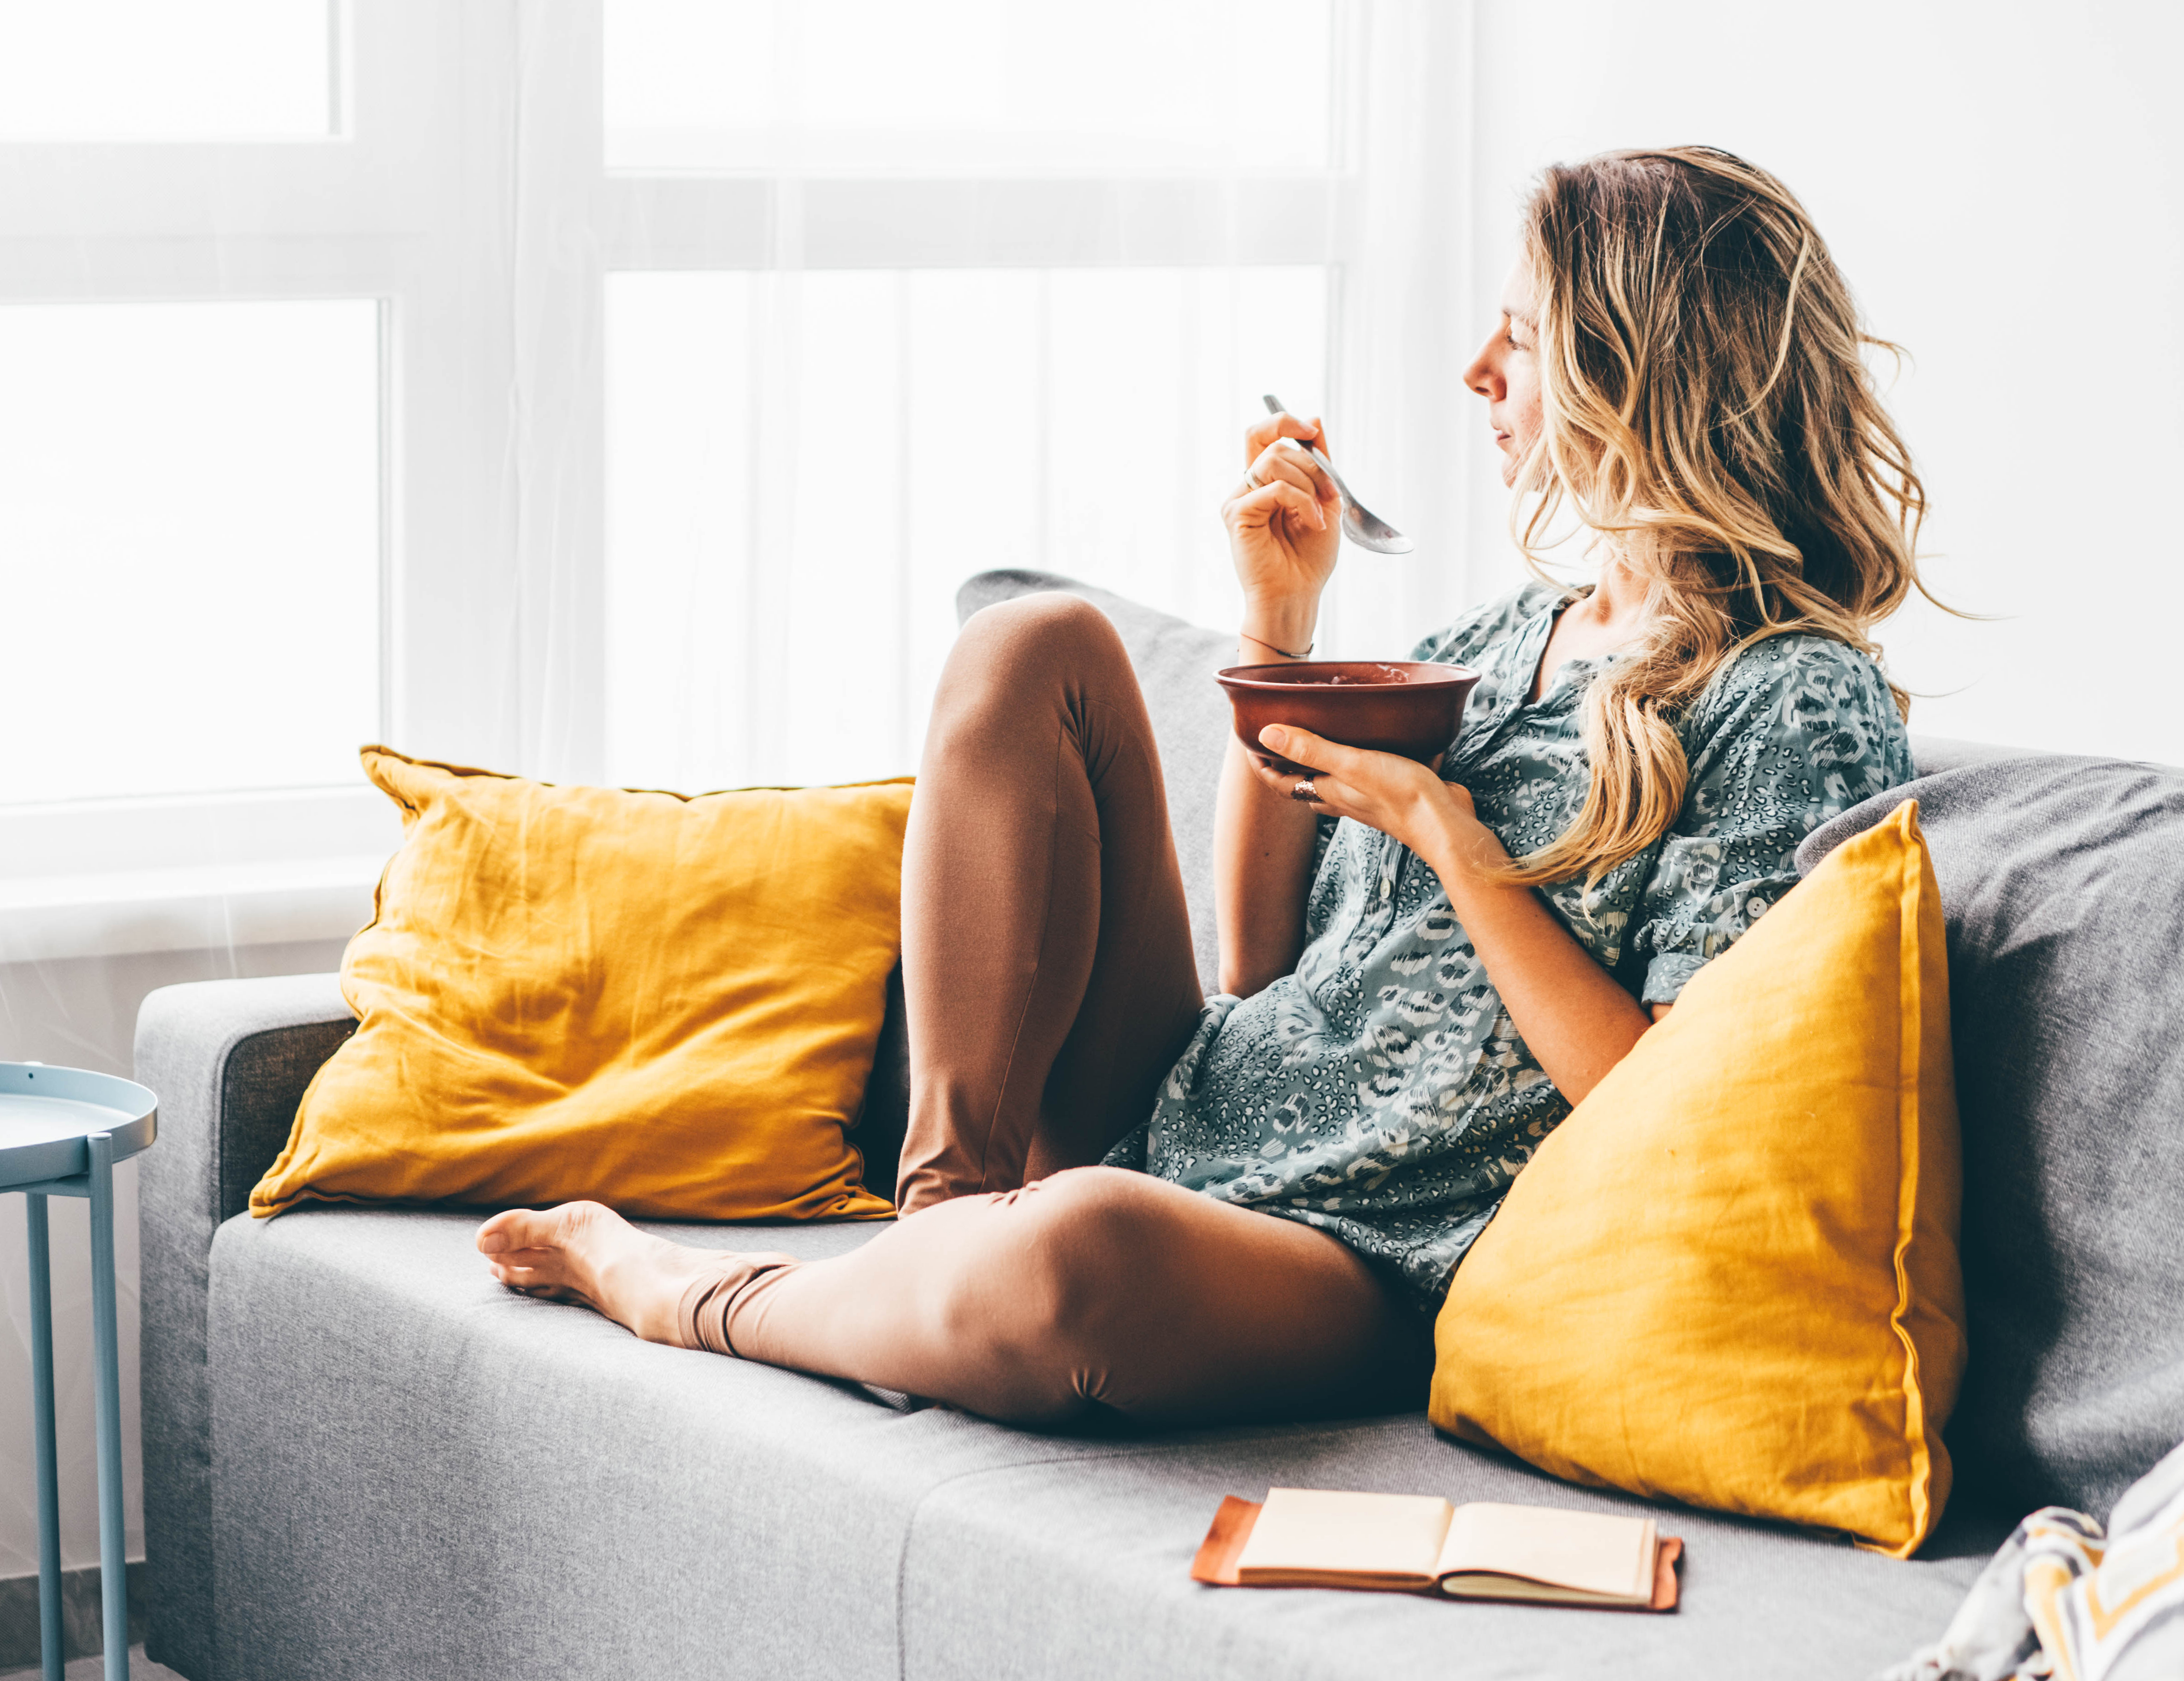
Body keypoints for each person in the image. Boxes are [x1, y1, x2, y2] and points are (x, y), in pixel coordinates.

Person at [476, 145, 1929, 1428]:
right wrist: (1277, 628)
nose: (1478, 373)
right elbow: (1259, 962)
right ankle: (943, 1212)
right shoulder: (1498, 639)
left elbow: (1657, 1103)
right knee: (1028, 644)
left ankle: (678, 1289)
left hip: (1373, 1254)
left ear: (1639, 363)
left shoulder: (1790, 694)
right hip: (1195, 1105)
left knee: (1078, 1256)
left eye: (1523, 338)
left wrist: (1449, 833)